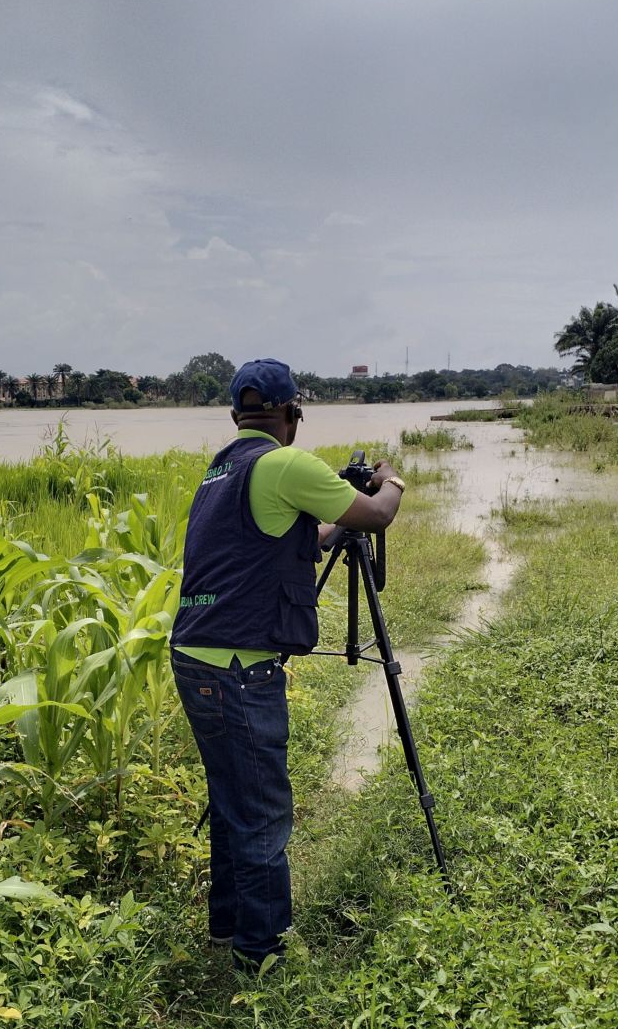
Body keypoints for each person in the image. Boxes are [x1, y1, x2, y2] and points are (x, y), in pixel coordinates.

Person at [170, 357, 405, 970]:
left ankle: (228, 928)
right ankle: (261, 952)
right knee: (264, 812)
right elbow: (375, 514)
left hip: (195, 656)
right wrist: (390, 480)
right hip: (238, 669)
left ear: (236, 415)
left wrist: (326, 532)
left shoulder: (221, 470)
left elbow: (275, 539)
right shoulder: (287, 463)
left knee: (232, 801)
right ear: (292, 414)